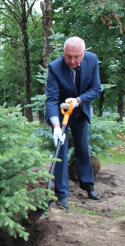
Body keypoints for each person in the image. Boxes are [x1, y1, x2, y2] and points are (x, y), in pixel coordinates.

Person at [45, 36, 101, 209]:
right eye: (68, 56)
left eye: (77, 56)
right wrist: (56, 126)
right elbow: (52, 99)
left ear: (84, 53)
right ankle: (61, 194)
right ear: (64, 53)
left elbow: (96, 89)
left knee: (83, 149)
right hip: (61, 114)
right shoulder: (55, 67)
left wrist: (78, 100)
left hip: (80, 111)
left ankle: (87, 185)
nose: (72, 60)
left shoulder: (92, 60)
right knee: (60, 151)